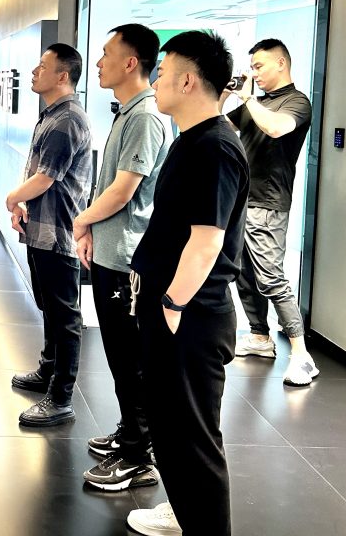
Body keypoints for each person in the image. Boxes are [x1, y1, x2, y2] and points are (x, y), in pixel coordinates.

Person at [125, 31, 248, 536]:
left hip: (192, 316)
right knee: (172, 429)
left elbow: (207, 241)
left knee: (192, 437)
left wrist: (172, 304)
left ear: (188, 81)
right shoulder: (190, 139)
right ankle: (182, 512)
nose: (155, 82)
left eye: (162, 73)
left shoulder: (215, 147)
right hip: (174, 309)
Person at [73, 24, 169, 491]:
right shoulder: (127, 112)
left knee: (131, 359)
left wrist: (81, 221)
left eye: (106, 53)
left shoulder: (146, 116)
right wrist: (93, 229)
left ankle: (138, 455)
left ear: (131, 62)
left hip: (128, 259)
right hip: (112, 252)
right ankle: (130, 431)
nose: (98, 62)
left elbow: (124, 189)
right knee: (118, 354)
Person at [222, 38, 317, 387]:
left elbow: (276, 128)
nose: (255, 73)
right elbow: (219, 125)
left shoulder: (297, 102)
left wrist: (248, 99)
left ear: (281, 63)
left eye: (259, 66)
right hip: (241, 199)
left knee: (271, 278)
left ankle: (302, 355)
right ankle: (260, 337)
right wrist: (226, 93)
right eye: (252, 67)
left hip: (269, 202)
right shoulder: (256, 102)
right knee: (244, 274)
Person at [7, 44, 92, 427]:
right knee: (50, 308)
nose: (33, 71)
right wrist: (23, 203)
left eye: (42, 66)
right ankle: (48, 369)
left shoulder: (66, 120)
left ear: (62, 75)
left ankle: (61, 397)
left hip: (58, 232)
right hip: (41, 227)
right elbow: (38, 173)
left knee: (64, 315)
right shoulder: (52, 115)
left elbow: (46, 178)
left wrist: (13, 198)